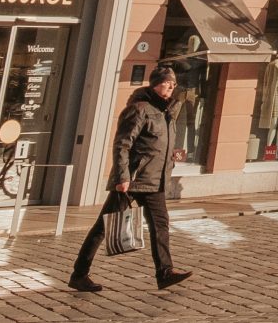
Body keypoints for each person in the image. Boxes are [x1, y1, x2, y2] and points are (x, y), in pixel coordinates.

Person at [69, 63, 189, 295]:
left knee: (160, 225)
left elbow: (157, 145)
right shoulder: (140, 109)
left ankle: (165, 273)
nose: (171, 87)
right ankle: (79, 274)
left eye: (174, 84)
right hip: (132, 180)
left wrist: (170, 158)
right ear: (156, 83)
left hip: (155, 181)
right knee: (102, 227)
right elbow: (122, 144)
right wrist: (122, 177)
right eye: (167, 83)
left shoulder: (166, 112)